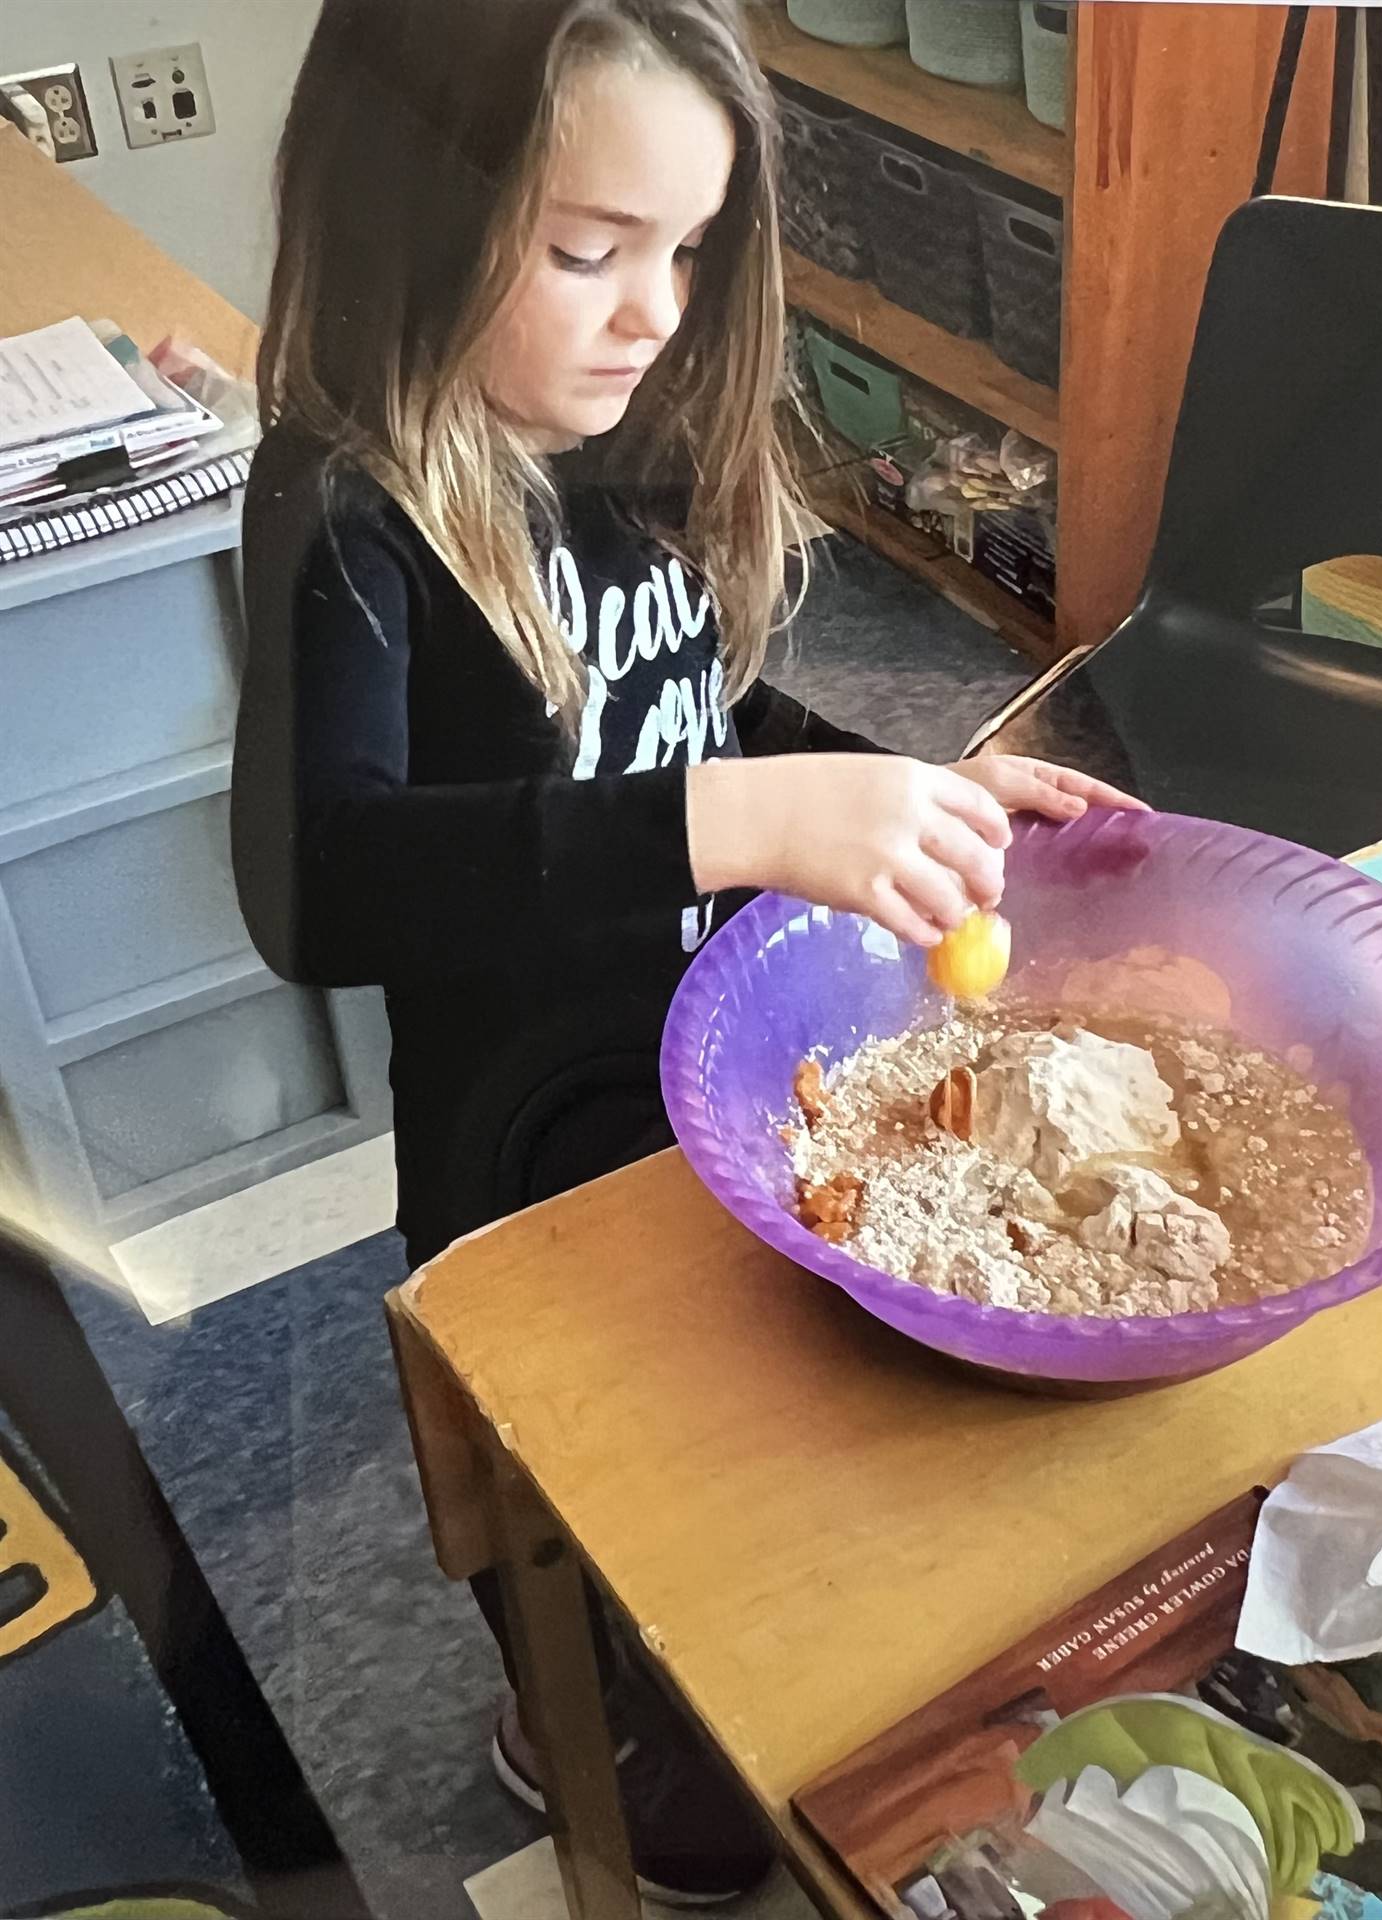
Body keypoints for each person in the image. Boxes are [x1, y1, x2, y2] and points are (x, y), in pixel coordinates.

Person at [232, 0, 1135, 1901]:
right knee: (597, 1507)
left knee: (780, 1473)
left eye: (688, 252)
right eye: (587, 252)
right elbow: (321, 883)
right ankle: (572, 1705)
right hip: (520, 1163)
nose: (651, 312)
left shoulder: (624, 440)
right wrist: (733, 827)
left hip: (705, 1080)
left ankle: (698, 1670)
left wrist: (902, 783)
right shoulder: (350, 501)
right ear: (414, 213)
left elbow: (689, 721)